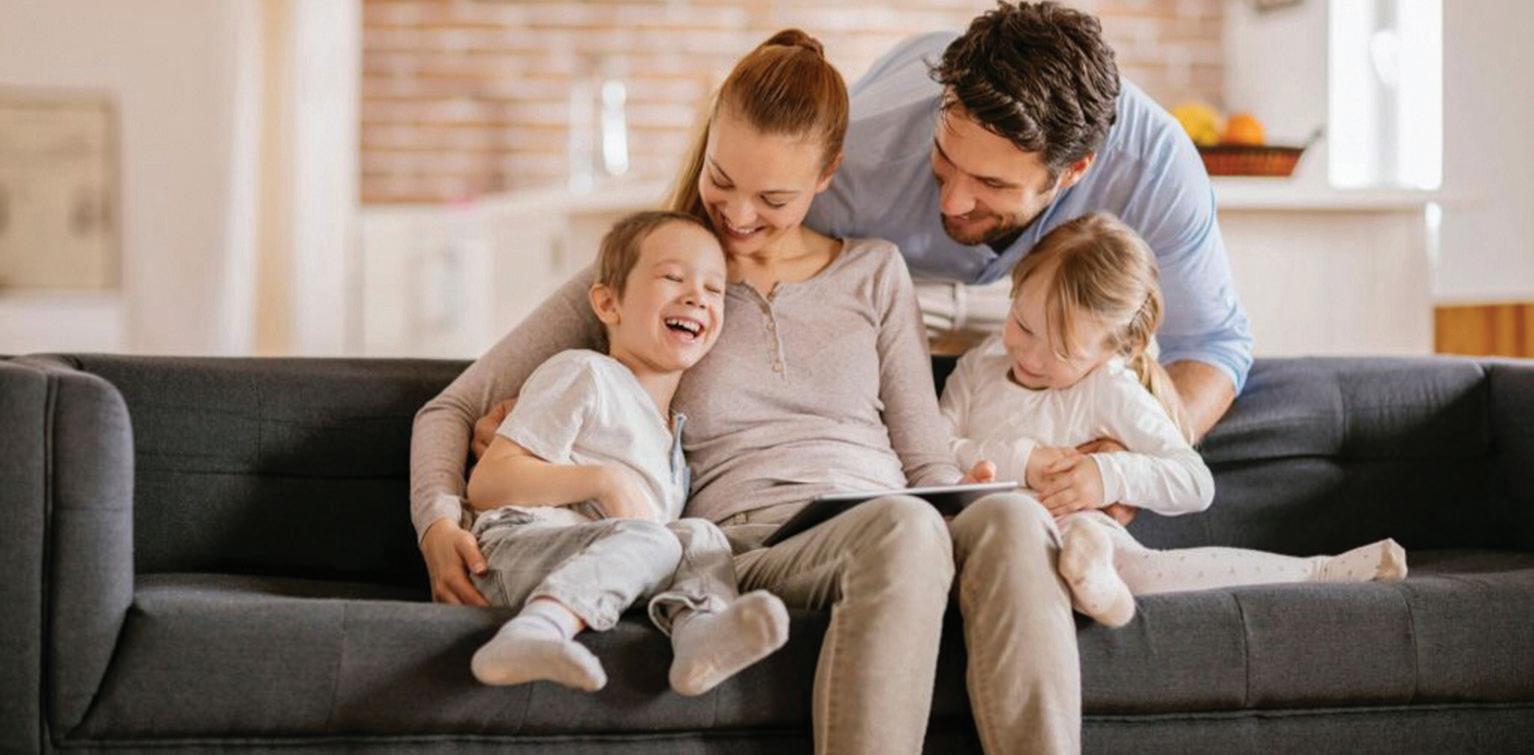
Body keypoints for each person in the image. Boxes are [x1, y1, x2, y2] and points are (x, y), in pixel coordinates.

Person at [412, 29, 1063, 754]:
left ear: (828, 173)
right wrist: (438, 525)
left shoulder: (876, 272)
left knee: (1012, 519)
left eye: (773, 197)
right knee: (904, 530)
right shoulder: (658, 276)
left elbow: (925, 458)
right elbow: (453, 407)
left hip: (890, 512)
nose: (740, 216)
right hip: (755, 544)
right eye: (720, 180)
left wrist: (966, 490)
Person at [806, 1, 1254, 447]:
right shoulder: (851, 155)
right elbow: (766, 244)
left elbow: (1210, 344)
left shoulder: (1154, 167)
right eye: (944, 157)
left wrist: (1131, 458)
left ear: (1074, 170)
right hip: (892, 281)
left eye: (991, 183)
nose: (952, 202)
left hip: (1032, 301)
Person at [940, 212, 1408, 628]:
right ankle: (1100, 592)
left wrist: (1105, 475)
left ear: (1114, 349)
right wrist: (1022, 461)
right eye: (1023, 325)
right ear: (1015, 289)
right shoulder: (981, 364)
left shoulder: (1108, 387)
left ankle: (1319, 572)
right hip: (990, 532)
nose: (1028, 354)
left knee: (1134, 563)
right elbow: (932, 446)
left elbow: (1193, 482)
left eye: (1062, 352)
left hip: (1076, 531)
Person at [460, 210, 789, 696]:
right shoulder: (585, 374)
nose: (696, 296)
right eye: (673, 277)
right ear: (608, 303)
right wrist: (604, 480)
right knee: (658, 541)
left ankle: (699, 634)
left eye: (714, 289)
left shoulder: (672, 438)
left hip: (600, 561)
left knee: (700, 535)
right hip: (514, 550)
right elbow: (488, 484)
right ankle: (535, 629)